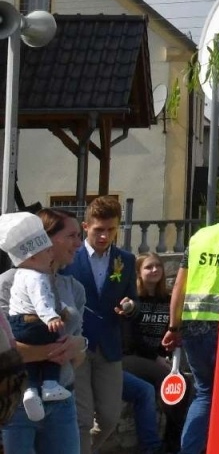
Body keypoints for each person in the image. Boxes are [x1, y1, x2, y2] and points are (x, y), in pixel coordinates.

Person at [2, 209, 90, 454]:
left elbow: (79, 356)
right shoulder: (6, 283)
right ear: (47, 238)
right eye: (72, 235)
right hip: (16, 406)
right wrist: (55, 349)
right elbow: (5, 352)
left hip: (62, 403)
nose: (79, 243)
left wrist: (79, 345)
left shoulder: (74, 288)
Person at [62, 194, 138, 453]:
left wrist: (129, 307)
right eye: (99, 230)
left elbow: (133, 301)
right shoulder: (70, 257)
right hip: (77, 345)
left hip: (109, 347)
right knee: (82, 419)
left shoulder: (125, 260)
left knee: (108, 417)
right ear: (86, 227)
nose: (105, 236)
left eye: (111, 230)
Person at [162, 186, 219, 454]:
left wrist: (173, 326)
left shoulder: (200, 236)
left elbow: (179, 285)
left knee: (204, 394)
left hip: (194, 328)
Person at [2, 213, 71, 420]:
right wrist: (51, 317)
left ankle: (31, 389)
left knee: (30, 363)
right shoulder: (37, 277)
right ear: (32, 257)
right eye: (47, 251)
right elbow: (41, 301)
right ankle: (50, 384)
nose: (52, 255)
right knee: (55, 338)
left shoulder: (20, 275)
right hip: (34, 321)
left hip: (17, 324)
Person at [123, 252, 184, 451]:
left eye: (158, 266)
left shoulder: (167, 300)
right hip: (132, 358)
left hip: (158, 359)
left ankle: (173, 442)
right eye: (149, 267)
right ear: (139, 273)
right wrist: (155, 358)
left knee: (183, 386)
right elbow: (131, 338)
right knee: (168, 380)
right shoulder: (132, 300)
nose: (155, 270)